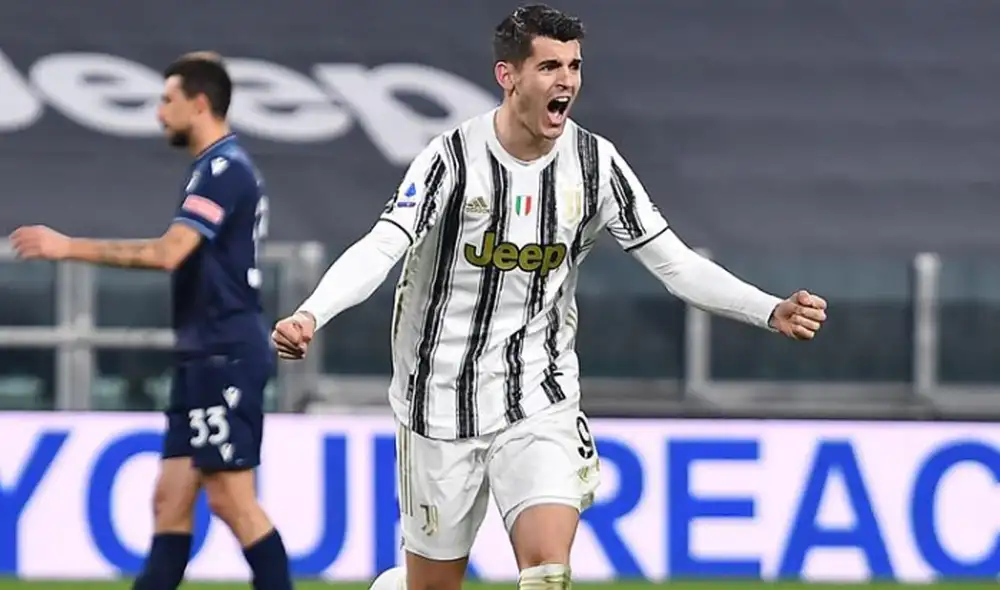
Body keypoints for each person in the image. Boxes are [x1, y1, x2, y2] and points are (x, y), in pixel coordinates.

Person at [272, 4, 827, 590]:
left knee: (547, 574)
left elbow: (675, 263)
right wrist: (313, 311)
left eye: (575, 66)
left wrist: (769, 309)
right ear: (507, 76)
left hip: (538, 396)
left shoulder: (595, 164)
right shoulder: (452, 160)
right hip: (437, 402)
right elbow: (383, 245)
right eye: (548, 67)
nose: (566, 81)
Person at [10, 52, 293, 590]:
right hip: (201, 355)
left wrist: (66, 246)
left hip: (225, 353)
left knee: (233, 501)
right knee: (169, 501)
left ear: (199, 102)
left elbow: (170, 253)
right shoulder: (212, 169)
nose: (160, 112)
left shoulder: (224, 170)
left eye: (168, 99)